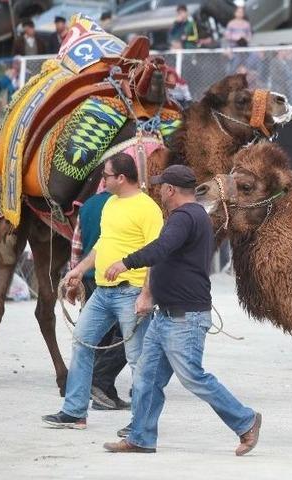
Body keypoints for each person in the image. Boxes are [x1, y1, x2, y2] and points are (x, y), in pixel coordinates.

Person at [102, 165, 262, 455]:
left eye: (161, 186)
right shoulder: (192, 216)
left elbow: (160, 249)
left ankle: (246, 421)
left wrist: (125, 262)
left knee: (192, 377)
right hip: (167, 316)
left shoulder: (184, 217)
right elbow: (168, 258)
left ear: (170, 190)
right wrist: (150, 294)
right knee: (147, 378)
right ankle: (141, 438)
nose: (159, 191)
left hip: (184, 318)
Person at [42, 153, 163, 429]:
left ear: (121, 178)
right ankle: (75, 412)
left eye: (106, 175)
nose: (102, 180)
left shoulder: (148, 209)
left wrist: (147, 294)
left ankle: (142, 425)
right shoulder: (110, 204)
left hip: (132, 292)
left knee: (138, 359)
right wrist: (78, 269)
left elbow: (157, 255)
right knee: (81, 343)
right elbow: (102, 245)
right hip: (102, 292)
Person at [69, 190, 130, 410]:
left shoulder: (87, 206)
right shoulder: (126, 204)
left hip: (87, 278)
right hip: (116, 278)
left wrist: (74, 277)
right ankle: (100, 383)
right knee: (126, 337)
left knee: (92, 338)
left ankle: (97, 391)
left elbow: (76, 246)